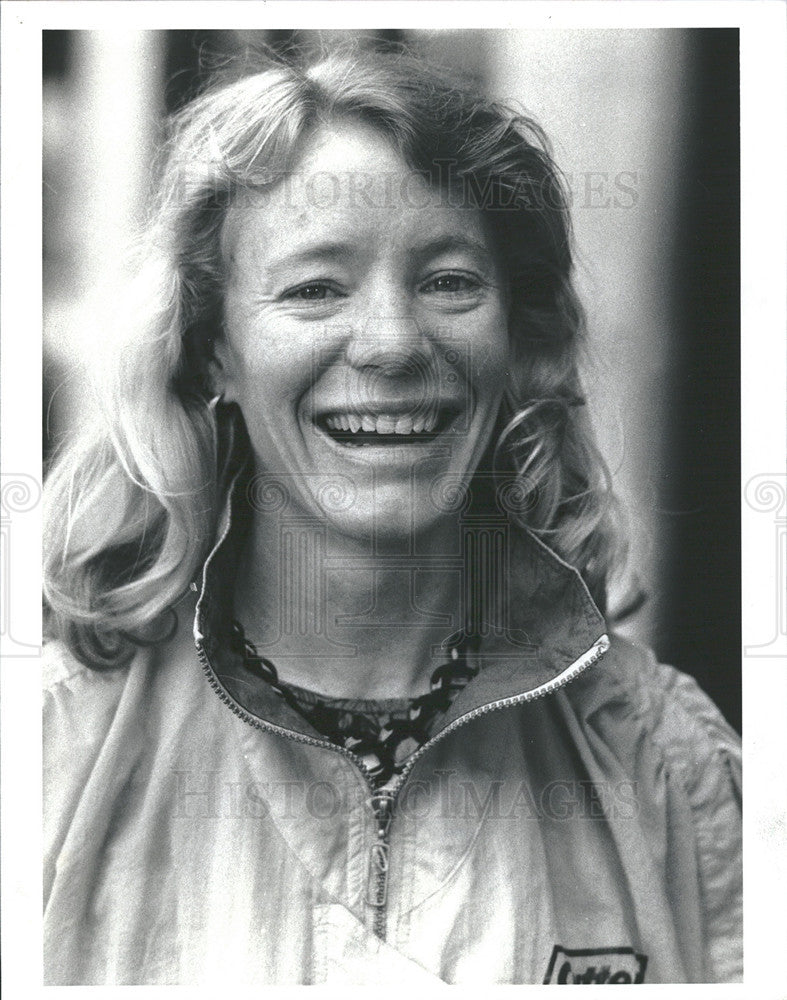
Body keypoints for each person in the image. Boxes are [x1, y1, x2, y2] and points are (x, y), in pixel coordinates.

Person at [42, 47, 742, 985]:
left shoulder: (668, 765)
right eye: (314, 288)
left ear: (518, 341)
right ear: (209, 352)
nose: (391, 344)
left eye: (449, 281)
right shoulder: (48, 752)